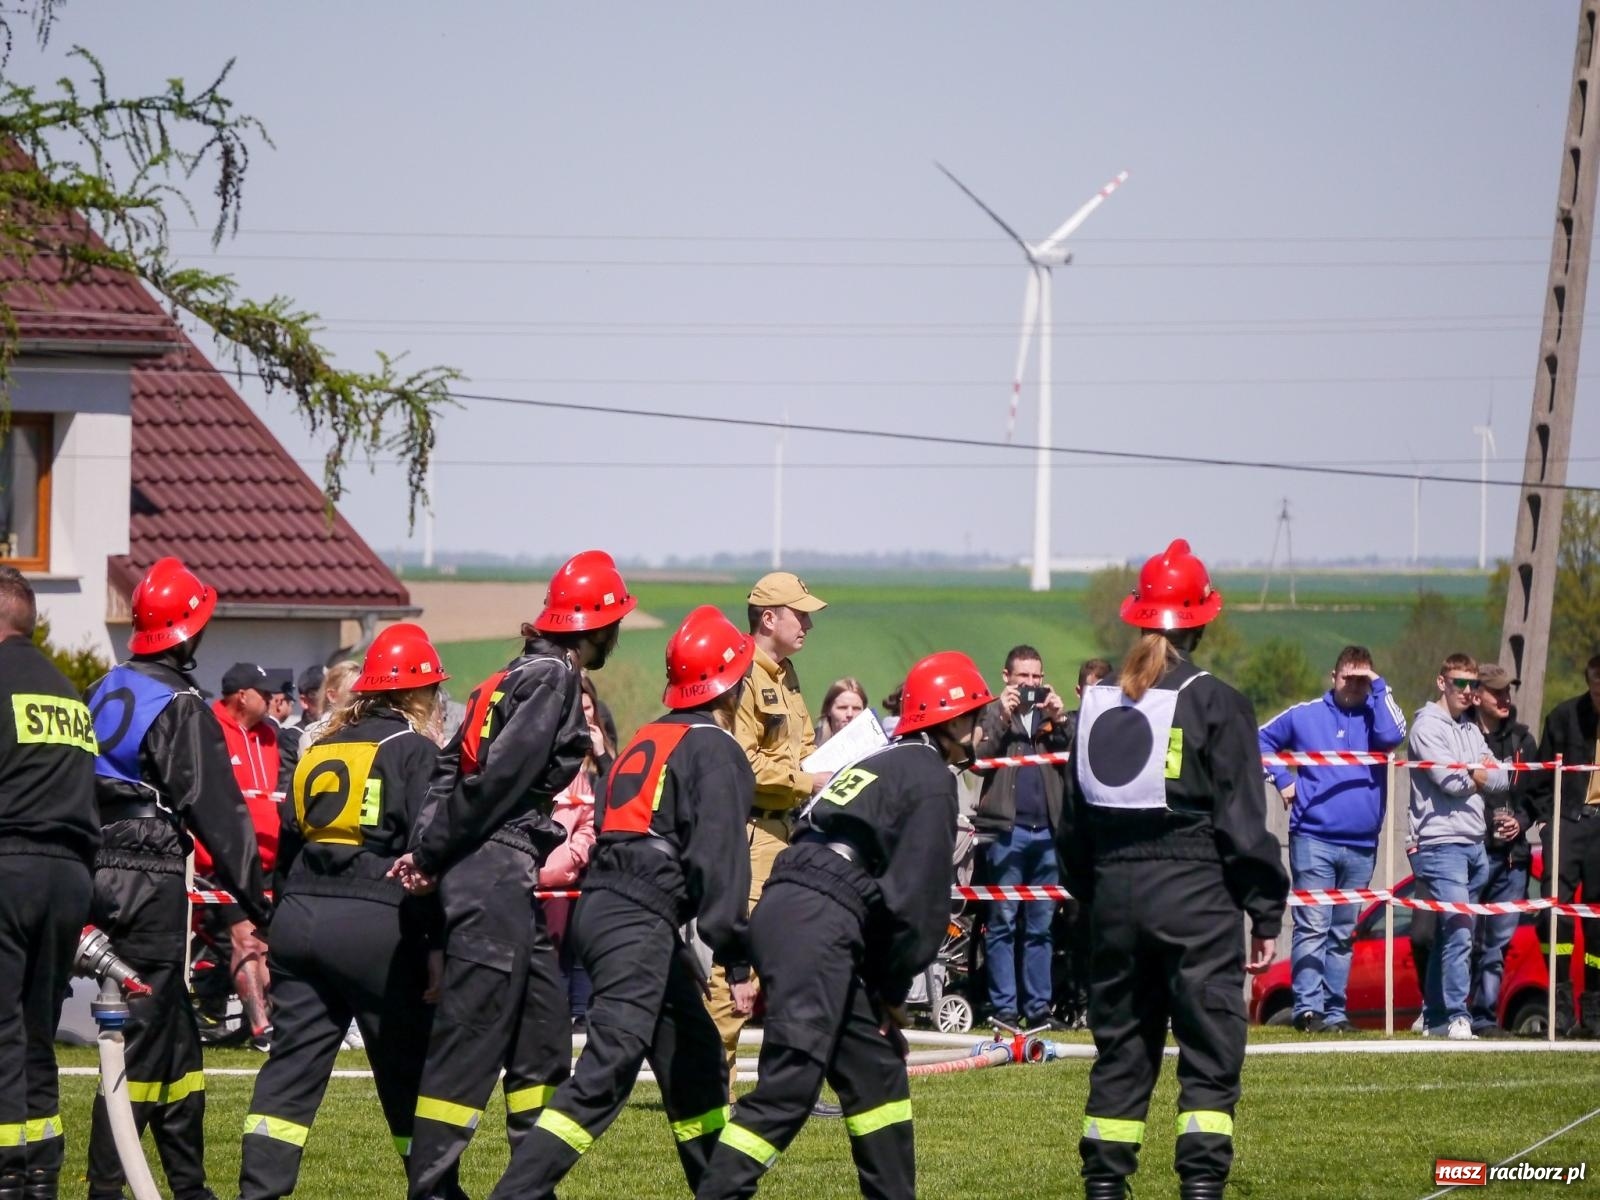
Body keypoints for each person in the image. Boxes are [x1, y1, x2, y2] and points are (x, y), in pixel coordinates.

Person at [694, 650, 993, 1200]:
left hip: (797, 905)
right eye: (975, 715)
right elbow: (918, 902)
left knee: (875, 1069)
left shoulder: (884, 761)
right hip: (819, 918)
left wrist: (876, 989)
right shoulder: (930, 776)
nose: (982, 727)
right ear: (950, 720)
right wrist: (891, 992)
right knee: (790, 1085)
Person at [488, 606, 757, 1200]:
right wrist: (737, 955)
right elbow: (721, 861)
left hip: (609, 906)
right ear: (731, 683)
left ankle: (719, 1189)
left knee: (695, 1057)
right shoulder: (716, 749)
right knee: (607, 1071)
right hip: (640, 918)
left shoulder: (649, 735)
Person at [392, 550, 633, 1200]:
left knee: (544, 1037)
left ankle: (529, 1187)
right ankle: (432, 1191)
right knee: (469, 1046)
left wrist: (429, 848)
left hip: (502, 874)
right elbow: (499, 778)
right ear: (599, 625)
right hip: (495, 868)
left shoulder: (502, 679)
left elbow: (447, 772)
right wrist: (431, 856)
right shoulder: (554, 678)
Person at [1060, 539, 1286, 1200]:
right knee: (1209, 1048)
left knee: (1122, 1050)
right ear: (1201, 623)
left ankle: (1105, 1187)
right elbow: (1243, 823)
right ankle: (1201, 1186)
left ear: (1137, 617)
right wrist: (1264, 909)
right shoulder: (1218, 702)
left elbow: (1071, 823)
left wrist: (1093, 895)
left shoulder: (1097, 704)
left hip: (1112, 898)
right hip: (1196, 896)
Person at [83, 556, 273, 1200]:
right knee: (140, 1034)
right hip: (148, 876)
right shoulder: (181, 704)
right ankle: (108, 1187)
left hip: (96, 865)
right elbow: (220, 813)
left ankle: (190, 1187)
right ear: (188, 632)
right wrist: (259, 905)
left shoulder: (102, 688)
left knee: (177, 1035)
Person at [237, 625, 450, 1199]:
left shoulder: (320, 748)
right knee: (408, 1074)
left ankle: (259, 1191)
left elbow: (287, 847)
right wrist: (436, 945)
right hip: (377, 923)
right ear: (416, 693)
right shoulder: (414, 750)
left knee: (288, 1074)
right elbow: (426, 854)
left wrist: (277, 926)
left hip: (300, 919)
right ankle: (434, 1189)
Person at [706, 571, 829, 1103]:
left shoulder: (786, 674)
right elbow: (744, 763)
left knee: (787, 964)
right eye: (800, 615)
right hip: (753, 833)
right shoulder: (744, 677)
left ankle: (786, 1089)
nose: (807, 625)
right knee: (734, 972)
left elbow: (802, 748)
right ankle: (713, 1092)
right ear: (769, 618)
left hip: (787, 832)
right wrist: (807, 780)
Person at [0, 567, 99, 1200]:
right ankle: (41, 1173)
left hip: (8, 866)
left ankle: (6, 1173)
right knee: (37, 1030)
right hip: (68, 876)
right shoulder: (66, 693)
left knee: (1, 1030)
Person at [1257, 645, 1407, 1034]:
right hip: (1313, 838)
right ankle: (1308, 1011)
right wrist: (1283, 780)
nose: (1354, 686)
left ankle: (1336, 1012)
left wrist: (1378, 686)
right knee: (1313, 926)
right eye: (1347, 678)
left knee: (1343, 933)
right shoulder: (1305, 715)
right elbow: (1259, 740)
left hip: (1362, 844)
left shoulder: (1376, 715)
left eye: (1362, 680)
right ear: (1333, 676)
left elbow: (1394, 735)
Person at [1406, 653, 1509, 1041]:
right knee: (1461, 932)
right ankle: (1457, 1016)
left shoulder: (1470, 729)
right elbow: (1450, 782)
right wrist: (1477, 772)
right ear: (1442, 683)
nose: (1467, 691)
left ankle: (1434, 1016)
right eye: (1460, 683)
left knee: (1452, 933)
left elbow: (1503, 779)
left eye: (1472, 684)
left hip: (1474, 843)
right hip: (1440, 844)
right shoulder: (1426, 727)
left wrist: (1473, 771)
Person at [973, 645, 1071, 1029]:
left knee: (1041, 926)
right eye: (1023, 676)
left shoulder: (1051, 717)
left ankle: (1039, 1010)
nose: (1031, 684)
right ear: (1006, 677)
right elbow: (978, 758)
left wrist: (1060, 719)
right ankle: (1004, 1010)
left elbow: (1080, 755)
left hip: (1047, 833)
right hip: (1006, 831)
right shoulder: (991, 713)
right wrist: (1002, 715)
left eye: (1036, 676)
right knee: (1002, 922)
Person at [204, 662, 284, 1050]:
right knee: (246, 941)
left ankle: (273, 1021)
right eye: (263, 692)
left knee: (268, 945)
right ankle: (260, 1027)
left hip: (269, 858)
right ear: (241, 696)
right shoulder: (210, 729)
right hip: (227, 859)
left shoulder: (270, 735)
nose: (271, 699)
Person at [1526, 653, 1600, 1037]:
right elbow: (1540, 777)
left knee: (1598, 924)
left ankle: (1595, 1011)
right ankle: (1560, 1007)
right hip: (1567, 822)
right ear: (1589, 683)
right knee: (1554, 917)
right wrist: (1546, 821)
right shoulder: (1563, 717)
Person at [1467, 663, 1538, 1037]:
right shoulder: (1460, 736)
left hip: (1512, 860)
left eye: (1508, 691)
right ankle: (1454, 1014)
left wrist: (1521, 822)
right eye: (1497, 692)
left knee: (1496, 947)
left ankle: (1483, 1017)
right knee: (1463, 941)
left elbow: (1539, 796)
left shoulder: (1524, 741)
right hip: (1471, 855)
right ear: (1477, 696)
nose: (1505, 698)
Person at [539, 675, 613, 1031]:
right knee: (554, 944)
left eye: (588, 708)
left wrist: (601, 754)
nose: (584, 716)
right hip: (557, 867)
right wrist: (566, 855)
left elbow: (616, 794)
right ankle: (554, 1012)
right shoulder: (548, 754)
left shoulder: (602, 752)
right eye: (576, 708)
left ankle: (583, 1013)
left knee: (585, 942)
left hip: (593, 863)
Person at [1054, 658, 1113, 1030]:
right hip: (1081, 842)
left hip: (1112, 844)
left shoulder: (1123, 725)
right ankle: (1078, 1004)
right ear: (1080, 692)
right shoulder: (1070, 725)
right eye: (1094, 690)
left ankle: (1109, 1003)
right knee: (1077, 927)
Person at [297, 660, 360, 757]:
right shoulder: (313, 738)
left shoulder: (371, 728)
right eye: (354, 692)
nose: (361, 696)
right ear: (332, 696)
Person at [816, 677, 869, 744]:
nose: (850, 714)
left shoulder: (877, 744)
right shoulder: (810, 745)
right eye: (842, 708)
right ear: (828, 710)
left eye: (856, 708)